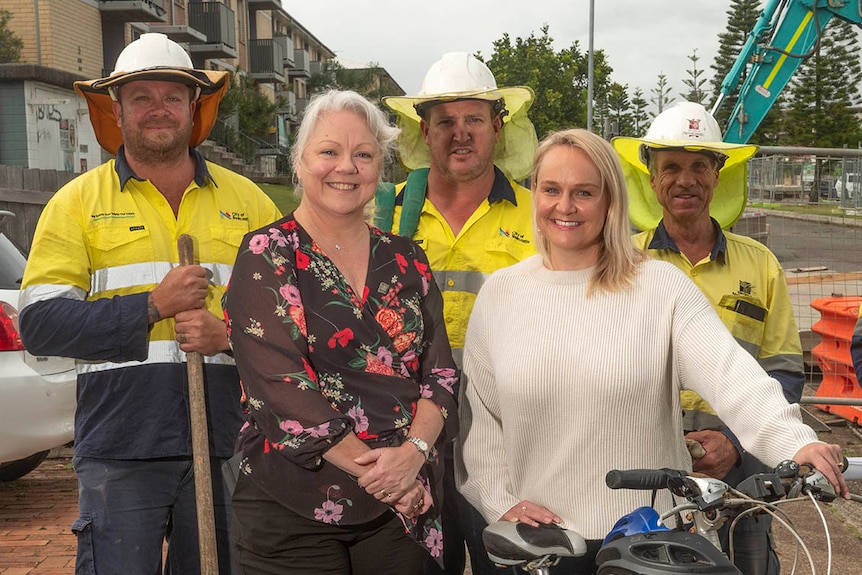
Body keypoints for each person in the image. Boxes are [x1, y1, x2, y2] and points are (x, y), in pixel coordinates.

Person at [455, 128, 849, 575]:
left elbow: (732, 376)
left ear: (611, 201)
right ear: (536, 195)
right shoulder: (501, 295)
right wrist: (499, 502)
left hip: (650, 541)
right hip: (544, 546)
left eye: (584, 192)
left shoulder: (661, 288)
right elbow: (480, 423)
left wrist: (795, 442)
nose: (564, 206)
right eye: (551, 190)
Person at [17, 33, 281, 574]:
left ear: (194, 107)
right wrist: (151, 307)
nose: (158, 108)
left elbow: (295, 322)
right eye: (142, 97)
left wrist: (228, 335)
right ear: (117, 109)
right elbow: (40, 325)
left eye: (172, 96)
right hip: (120, 447)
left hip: (231, 443)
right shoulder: (76, 204)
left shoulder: (249, 202)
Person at [222, 90, 459, 575]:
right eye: (329, 151)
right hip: (294, 503)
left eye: (363, 154)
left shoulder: (407, 258)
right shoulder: (268, 252)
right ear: (301, 161)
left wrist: (413, 456)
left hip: (402, 507)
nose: (346, 167)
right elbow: (280, 388)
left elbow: (441, 374)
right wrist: (389, 477)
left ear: (380, 167)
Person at [613, 101, 805, 575]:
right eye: (671, 167)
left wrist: (732, 442)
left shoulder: (759, 264)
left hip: (740, 472)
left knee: (748, 567)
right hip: (647, 466)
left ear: (718, 175)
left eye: (700, 165)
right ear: (651, 178)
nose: (686, 180)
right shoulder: (622, 262)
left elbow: (783, 371)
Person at [377, 52, 538, 575]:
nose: (460, 134)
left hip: (508, 439)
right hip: (411, 439)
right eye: (445, 121)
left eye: (474, 120)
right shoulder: (385, 213)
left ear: (498, 127)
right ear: (424, 131)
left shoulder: (540, 216)